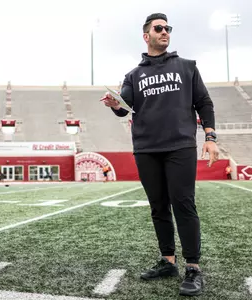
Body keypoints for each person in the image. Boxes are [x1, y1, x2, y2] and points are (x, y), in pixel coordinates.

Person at [100, 13, 219, 297]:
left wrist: (211, 137)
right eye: (159, 28)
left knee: (184, 204)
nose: (165, 32)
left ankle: (193, 268)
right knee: (158, 206)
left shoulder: (187, 67)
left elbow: (203, 102)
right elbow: (125, 106)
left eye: (168, 28)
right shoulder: (134, 74)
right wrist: (113, 104)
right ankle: (168, 261)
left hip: (180, 145)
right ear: (146, 35)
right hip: (146, 148)